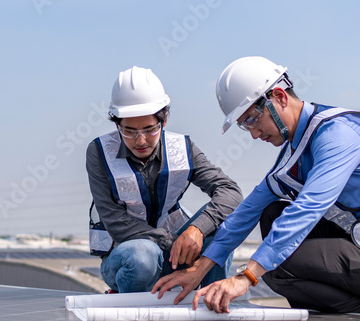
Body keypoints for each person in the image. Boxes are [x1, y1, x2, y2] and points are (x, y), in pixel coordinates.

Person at [154, 56, 360, 315]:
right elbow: (247, 211)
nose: (253, 134)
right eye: (245, 126)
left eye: (253, 119)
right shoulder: (296, 150)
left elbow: (308, 208)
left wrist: (247, 276)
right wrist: (200, 268)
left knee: (277, 264)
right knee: (271, 214)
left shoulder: (337, 136)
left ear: (279, 97)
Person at [87, 66, 243, 293]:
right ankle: (130, 307)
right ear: (117, 124)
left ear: (164, 120)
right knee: (143, 255)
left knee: (222, 226)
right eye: (129, 131)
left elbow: (230, 192)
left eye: (150, 130)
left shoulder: (182, 148)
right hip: (127, 257)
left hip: (175, 255)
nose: (140, 141)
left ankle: (209, 300)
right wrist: (173, 244)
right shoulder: (99, 152)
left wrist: (197, 230)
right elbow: (114, 220)